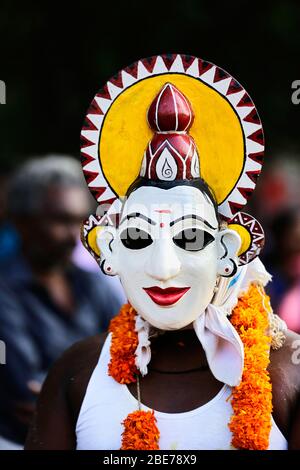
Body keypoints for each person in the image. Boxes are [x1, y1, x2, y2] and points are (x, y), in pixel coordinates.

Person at [25, 55, 300, 450]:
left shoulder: (289, 369)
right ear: (109, 248)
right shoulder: (78, 372)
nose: (164, 268)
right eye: (138, 238)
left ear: (229, 249)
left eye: (190, 237)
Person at [0, 155, 123, 447]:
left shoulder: (93, 284)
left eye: (81, 220)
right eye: (60, 220)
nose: (74, 236)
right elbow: (27, 392)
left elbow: (136, 351)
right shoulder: (5, 293)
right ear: (22, 222)